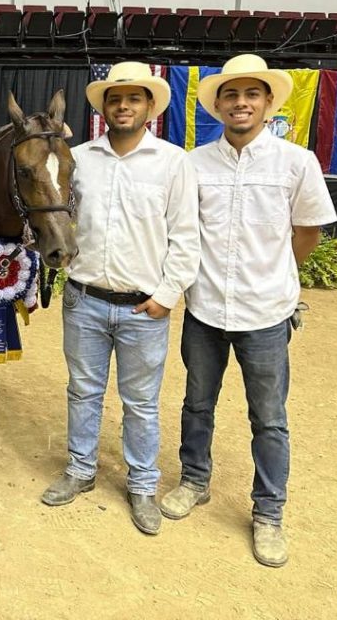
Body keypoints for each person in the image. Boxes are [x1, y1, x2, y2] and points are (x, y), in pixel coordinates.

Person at [159, 54, 337, 567]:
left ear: (267, 103)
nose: (241, 103)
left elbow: (306, 232)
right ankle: (194, 481)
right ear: (217, 104)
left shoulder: (296, 162)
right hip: (206, 309)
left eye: (251, 94)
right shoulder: (193, 164)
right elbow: (183, 233)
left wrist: (278, 274)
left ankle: (269, 512)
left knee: (270, 417)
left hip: (266, 312)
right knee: (197, 404)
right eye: (231, 95)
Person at [40, 61, 200, 537]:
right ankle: (80, 469)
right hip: (85, 298)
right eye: (115, 98)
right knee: (83, 390)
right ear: (104, 108)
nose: (123, 106)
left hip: (143, 306)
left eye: (134, 98)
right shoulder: (79, 158)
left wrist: (167, 296)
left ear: (150, 106)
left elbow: (186, 236)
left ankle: (143, 485)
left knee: (142, 402)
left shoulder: (174, 162)